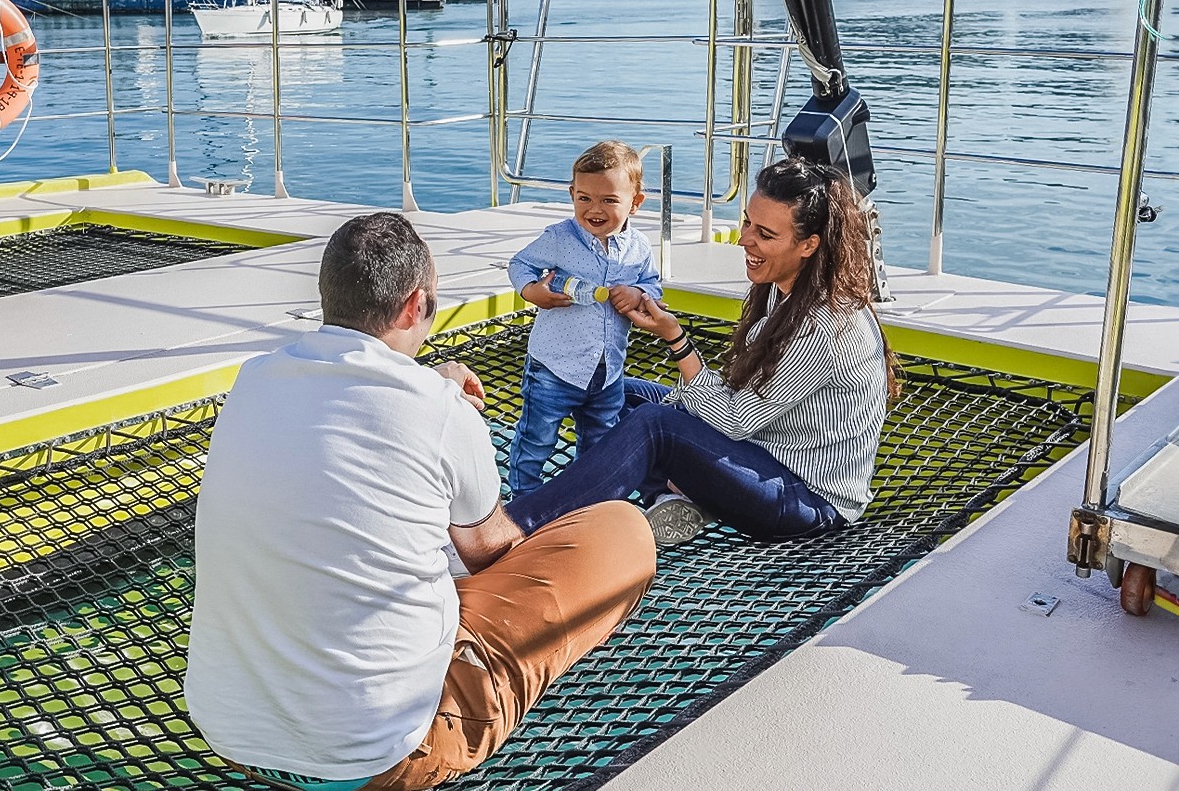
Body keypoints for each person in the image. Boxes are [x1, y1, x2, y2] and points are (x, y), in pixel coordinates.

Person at [185, 212, 656, 791]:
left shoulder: (254, 380)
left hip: (232, 736)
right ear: (414, 305)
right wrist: (446, 406)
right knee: (621, 532)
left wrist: (431, 390)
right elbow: (485, 551)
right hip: (383, 757)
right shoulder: (439, 408)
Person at [506, 156, 899, 547]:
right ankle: (671, 496)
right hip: (762, 448)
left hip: (805, 499)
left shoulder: (821, 324)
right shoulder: (784, 287)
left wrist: (675, 338)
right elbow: (740, 401)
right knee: (612, 393)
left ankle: (518, 526)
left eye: (765, 234)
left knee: (654, 426)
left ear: (809, 245)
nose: (745, 240)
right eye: (747, 222)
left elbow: (734, 420)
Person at [506, 140, 662, 496]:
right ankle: (522, 502)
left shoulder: (639, 248)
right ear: (572, 193)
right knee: (536, 442)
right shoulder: (560, 238)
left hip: (607, 373)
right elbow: (520, 264)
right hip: (554, 368)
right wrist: (532, 292)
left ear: (635, 202)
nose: (595, 209)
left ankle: (589, 502)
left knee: (601, 446)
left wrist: (639, 294)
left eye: (609, 200)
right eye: (585, 198)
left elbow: (654, 286)